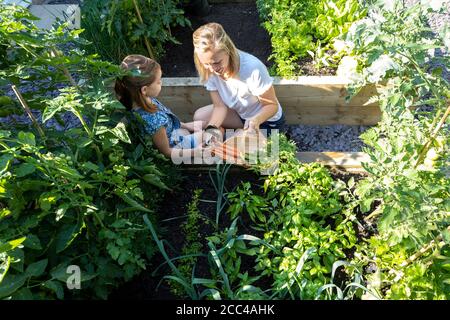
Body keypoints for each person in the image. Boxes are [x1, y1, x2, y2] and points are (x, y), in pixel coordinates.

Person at [192, 22, 285, 138]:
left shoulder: (252, 69)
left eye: (217, 62)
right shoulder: (209, 70)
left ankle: (248, 136)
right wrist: (211, 131)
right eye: (206, 64)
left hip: (265, 121)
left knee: (237, 150)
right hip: (241, 115)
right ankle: (236, 133)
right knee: (199, 116)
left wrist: (255, 121)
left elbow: (272, 105)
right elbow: (220, 107)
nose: (212, 69)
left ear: (228, 51)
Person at [114, 54, 212, 160]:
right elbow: (167, 152)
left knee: (196, 128)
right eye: (158, 81)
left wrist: (187, 125)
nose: (161, 82)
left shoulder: (139, 101)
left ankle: (189, 133)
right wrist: (196, 151)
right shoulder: (154, 121)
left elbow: (167, 119)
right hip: (174, 147)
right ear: (144, 90)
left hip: (172, 133)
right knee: (212, 134)